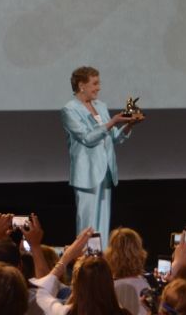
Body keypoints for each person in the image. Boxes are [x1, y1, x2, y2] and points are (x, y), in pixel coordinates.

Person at [61, 67, 142, 247]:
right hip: (87, 174)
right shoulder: (70, 110)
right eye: (95, 84)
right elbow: (87, 138)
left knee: (103, 223)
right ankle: (85, 263)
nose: (98, 88)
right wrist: (113, 121)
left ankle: (102, 262)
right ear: (81, 86)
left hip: (105, 172)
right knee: (87, 224)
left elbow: (113, 138)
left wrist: (129, 125)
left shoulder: (100, 106)